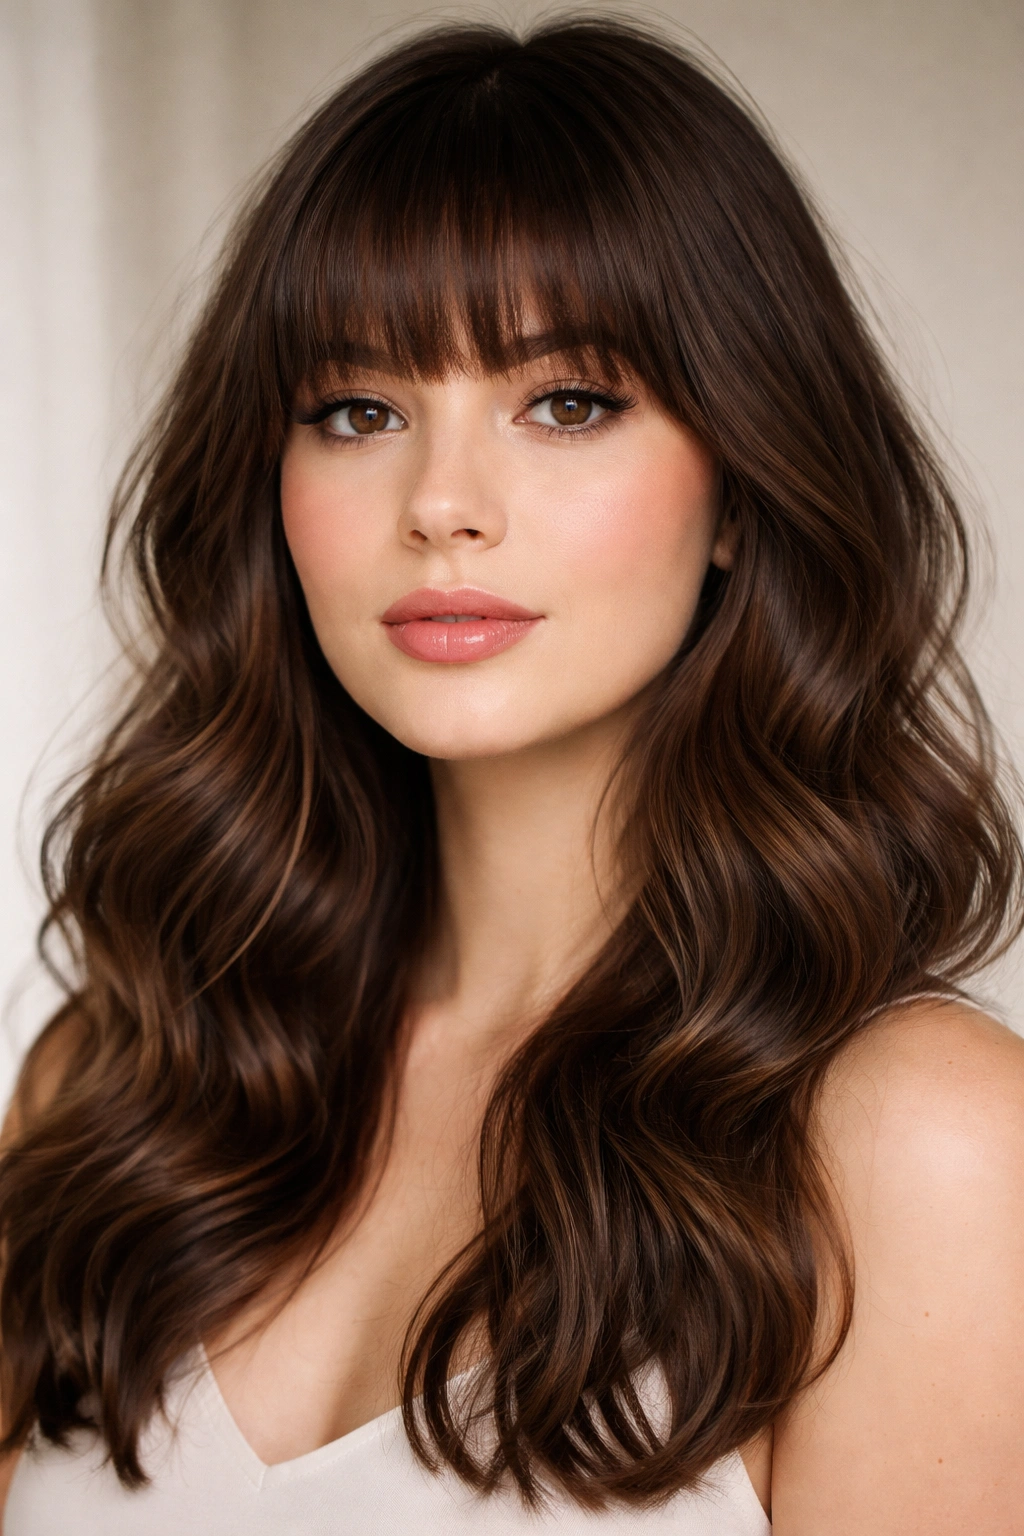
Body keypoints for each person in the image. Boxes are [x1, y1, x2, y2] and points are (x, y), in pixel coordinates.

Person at [1, 18, 1022, 1534]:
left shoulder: (920, 1145)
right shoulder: (124, 1082)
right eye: (358, 410)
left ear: (743, 485)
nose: (443, 506)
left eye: (567, 402)